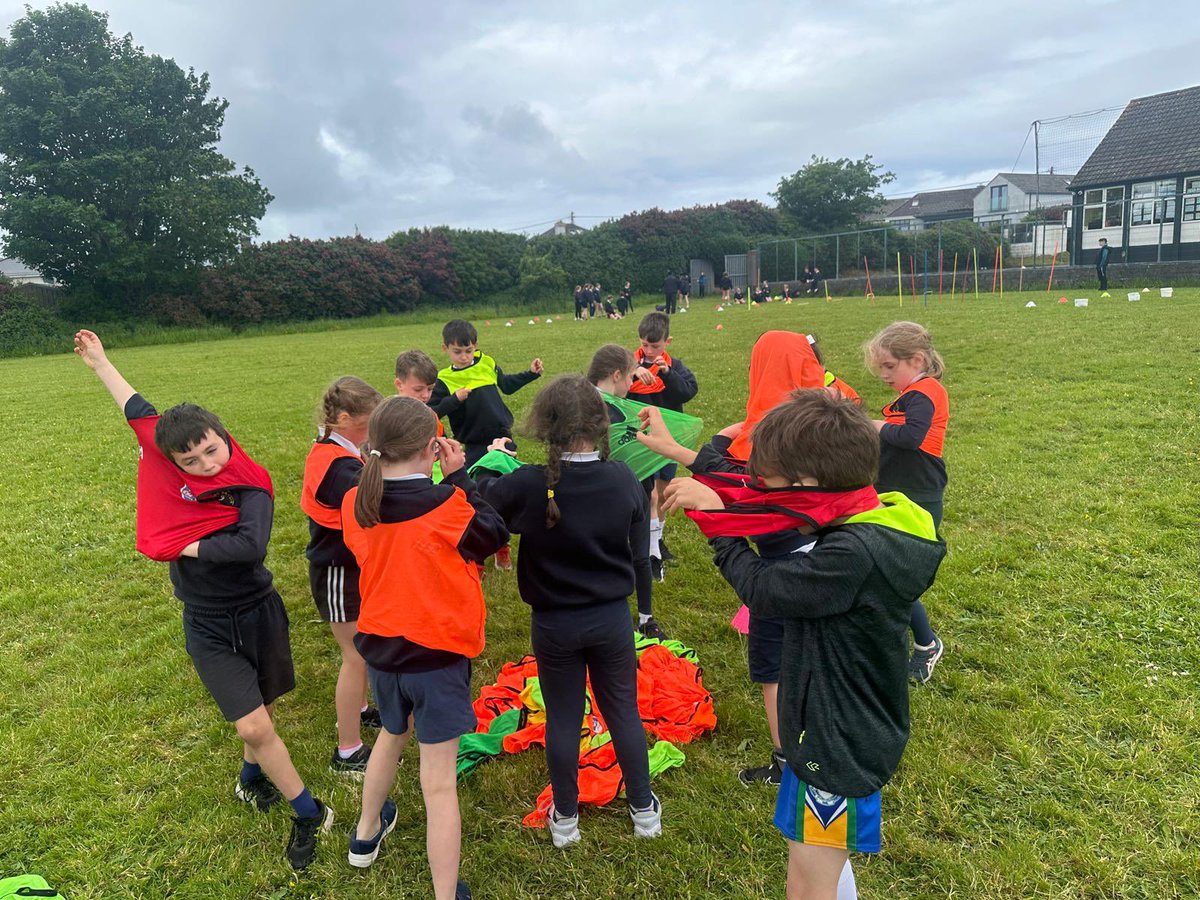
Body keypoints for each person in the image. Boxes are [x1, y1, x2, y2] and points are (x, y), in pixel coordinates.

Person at [663, 390, 945, 900]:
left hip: (837, 745)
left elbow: (767, 590)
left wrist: (716, 523)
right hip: (827, 726)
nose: (765, 489)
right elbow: (767, 502)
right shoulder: (866, 513)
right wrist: (725, 490)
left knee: (807, 884)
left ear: (808, 483)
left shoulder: (853, 554)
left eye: (772, 481)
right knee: (827, 863)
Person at [73, 329, 333, 870]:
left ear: (224, 434)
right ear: (171, 459)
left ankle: (248, 779)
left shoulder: (249, 483)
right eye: (190, 460)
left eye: (212, 448)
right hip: (207, 622)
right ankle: (308, 811)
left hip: (258, 610)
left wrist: (175, 544)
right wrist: (100, 363)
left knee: (263, 707)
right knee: (254, 725)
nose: (207, 463)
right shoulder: (168, 454)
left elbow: (249, 546)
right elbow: (137, 408)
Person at [474, 376, 662, 849]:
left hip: (555, 624)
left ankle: (565, 819)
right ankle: (644, 810)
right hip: (611, 620)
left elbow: (481, 506)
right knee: (622, 711)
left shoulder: (528, 485)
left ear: (544, 426)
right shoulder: (622, 478)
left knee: (562, 718)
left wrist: (482, 465)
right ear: (601, 425)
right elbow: (639, 541)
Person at [635, 330, 825, 785]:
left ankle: (788, 762)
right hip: (828, 557)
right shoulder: (826, 418)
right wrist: (688, 450)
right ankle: (816, 745)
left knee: (772, 664)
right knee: (817, 656)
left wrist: (706, 492)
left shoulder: (778, 436)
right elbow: (735, 467)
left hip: (784, 566)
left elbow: (748, 489)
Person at [342, 397, 507, 900]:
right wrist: (458, 478)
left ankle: (365, 834)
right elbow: (492, 533)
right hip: (436, 658)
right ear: (433, 446)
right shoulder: (446, 504)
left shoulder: (355, 502)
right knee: (438, 785)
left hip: (383, 652)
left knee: (391, 736)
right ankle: (443, 893)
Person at [300, 376, 384, 776]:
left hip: (349, 568)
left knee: (362, 650)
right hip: (337, 572)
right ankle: (348, 750)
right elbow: (372, 495)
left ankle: (362, 707)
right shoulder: (338, 467)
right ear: (346, 418)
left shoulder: (339, 448)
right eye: (371, 422)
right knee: (357, 656)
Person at [864, 321, 949, 684]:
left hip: (919, 497)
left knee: (897, 578)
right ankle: (890, 639)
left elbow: (912, 437)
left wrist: (876, 426)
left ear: (915, 360)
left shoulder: (926, 392)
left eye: (889, 366)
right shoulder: (910, 394)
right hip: (894, 495)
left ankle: (928, 645)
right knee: (883, 573)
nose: (883, 374)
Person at [587, 344, 665, 640]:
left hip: (635, 487)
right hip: (607, 493)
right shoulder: (592, 407)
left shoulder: (618, 405)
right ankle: (608, 610)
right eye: (631, 378)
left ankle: (646, 617)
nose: (632, 384)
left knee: (639, 554)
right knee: (619, 552)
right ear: (617, 375)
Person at [629, 312, 699, 581]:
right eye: (644, 345)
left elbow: (687, 392)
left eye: (654, 346)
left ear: (667, 342)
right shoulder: (631, 364)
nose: (648, 351)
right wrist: (634, 371)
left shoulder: (674, 366)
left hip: (668, 441)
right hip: (640, 440)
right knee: (649, 497)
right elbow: (615, 390)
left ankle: (656, 541)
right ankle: (649, 551)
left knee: (664, 492)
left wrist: (667, 374)